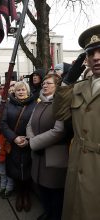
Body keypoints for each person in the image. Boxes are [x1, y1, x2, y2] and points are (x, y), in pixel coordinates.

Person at [53, 24, 100, 220]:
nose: (96, 57)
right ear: (86, 60)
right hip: (78, 163)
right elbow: (60, 114)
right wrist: (66, 82)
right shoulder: (79, 87)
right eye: (91, 53)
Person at [26, 74, 69, 220]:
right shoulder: (39, 103)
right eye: (43, 83)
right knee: (42, 188)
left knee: (54, 191)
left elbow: (59, 131)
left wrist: (33, 143)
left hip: (54, 157)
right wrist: (33, 140)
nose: (44, 85)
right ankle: (47, 213)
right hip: (38, 156)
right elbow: (29, 125)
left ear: (57, 86)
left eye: (48, 83)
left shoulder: (61, 103)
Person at [1, 81, 37, 212]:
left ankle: (26, 195)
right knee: (15, 169)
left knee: (28, 169)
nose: (21, 92)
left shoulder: (35, 104)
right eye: (18, 90)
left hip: (29, 142)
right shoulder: (7, 105)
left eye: (23, 90)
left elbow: (37, 124)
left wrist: (28, 138)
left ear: (28, 91)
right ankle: (19, 195)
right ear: (14, 93)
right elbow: (3, 124)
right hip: (13, 143)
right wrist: (14, 138)